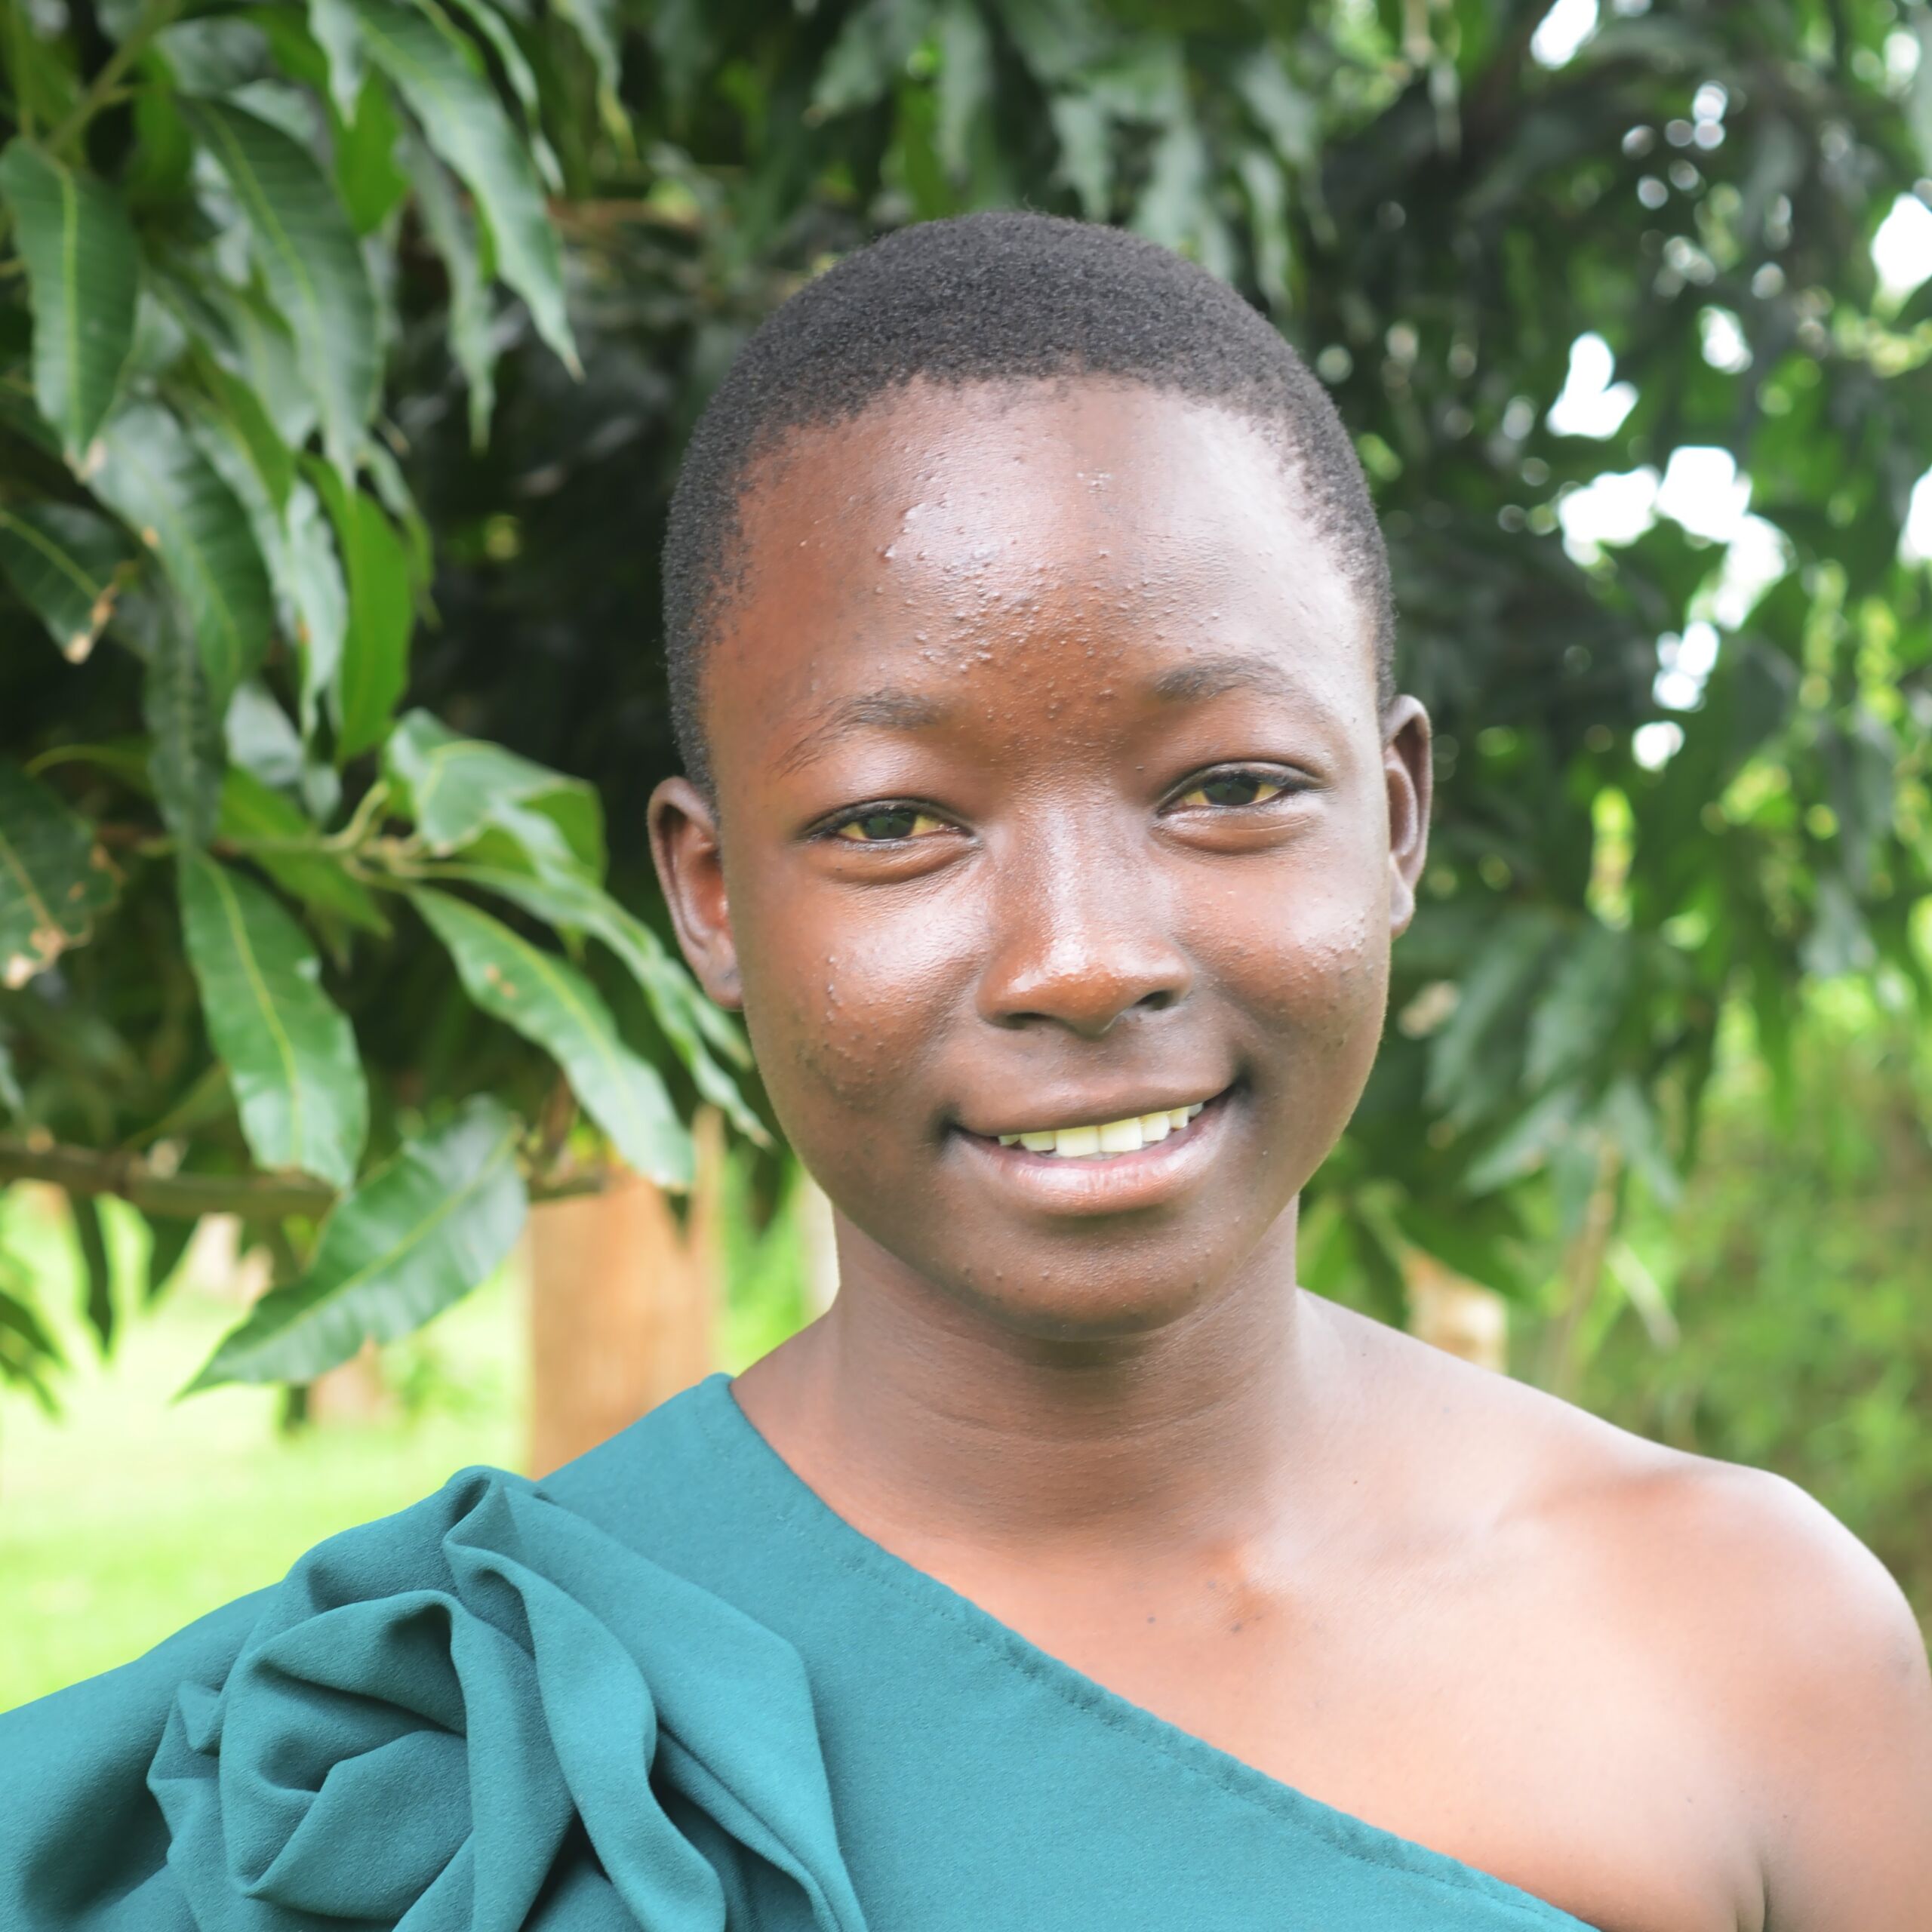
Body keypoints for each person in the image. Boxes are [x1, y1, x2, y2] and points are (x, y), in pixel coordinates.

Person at [3, 214, 1927, 1932]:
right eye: (892, 820)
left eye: (1229, 785)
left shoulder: (1749, 1645)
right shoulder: (432, 1756)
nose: (1081, 954)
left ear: (1396, 814)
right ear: (711, 893)